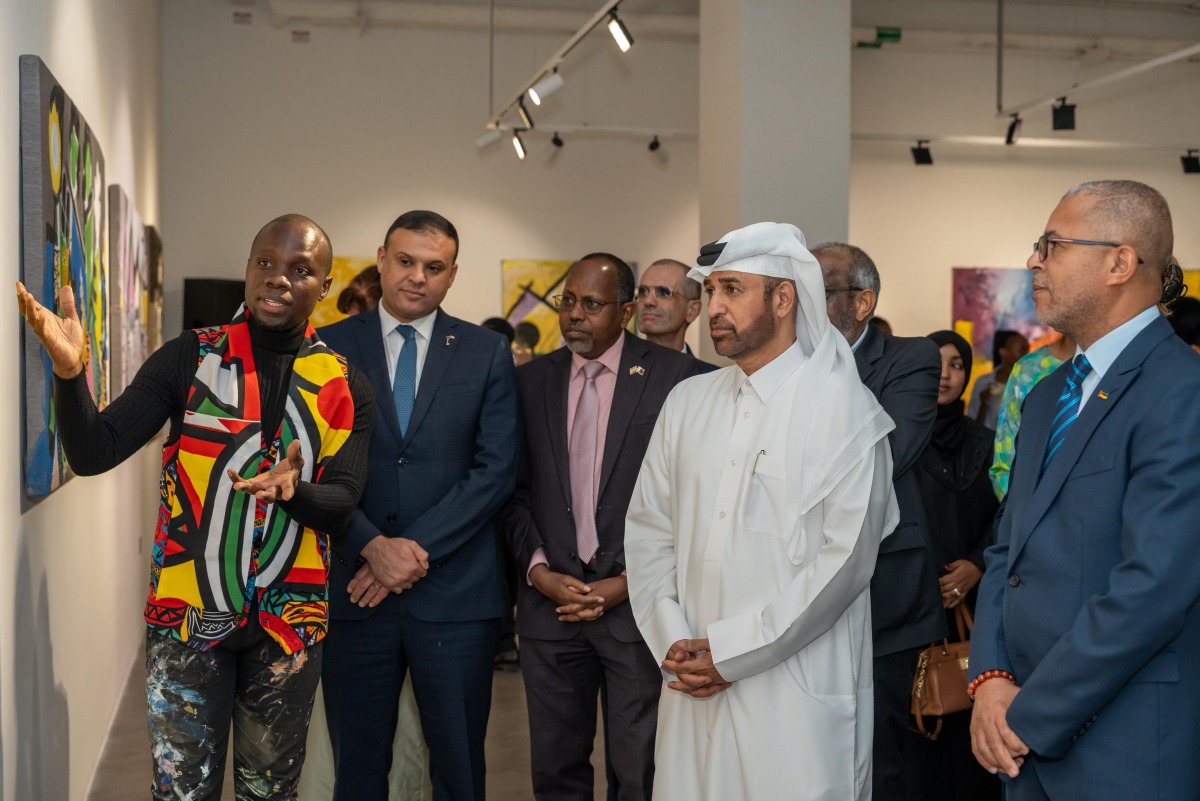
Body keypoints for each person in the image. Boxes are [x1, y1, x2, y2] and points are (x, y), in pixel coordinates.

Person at [16, 214, 373, 800]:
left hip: (289, 625)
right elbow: (94, 451)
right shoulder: (191, 357)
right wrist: (70, 371)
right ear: (248, 267)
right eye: (266, 263)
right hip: (187, 618)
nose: (278, 278)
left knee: (271, 792)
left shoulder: (345, 385)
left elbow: (343, 503)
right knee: (181, 791)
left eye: (300, 270)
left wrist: (296, 491)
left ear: (325, 286)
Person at [625, 222, 898, 800]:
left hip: (794, 690)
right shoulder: (687, 401)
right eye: (710, 291)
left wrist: (733, 652)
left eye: (732, 289)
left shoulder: (844, 409)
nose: (714, 308)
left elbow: (846, 562)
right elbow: (649, 530)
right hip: (691, 681)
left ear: (783, 297)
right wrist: (674, 642)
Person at [970, 180, 1200, 799]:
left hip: (1123, 747)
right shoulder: (1049, 394)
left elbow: (1153, 586)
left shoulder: (1182, 390)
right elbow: (1007, 550)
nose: (1034, 260)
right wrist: (990, 679)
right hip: (1018, 742)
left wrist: (1029, 712)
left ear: (1120, 263)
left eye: (1053, 244)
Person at [319, 210, 519, 801]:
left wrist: (407, 552)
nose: (417, 277)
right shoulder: (328, 346)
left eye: (434, 267)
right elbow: (312, 468)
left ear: (452, 274)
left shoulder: (486, 351)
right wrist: (371, 546)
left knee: (460, 771)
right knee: (357, 772)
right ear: (381, 259)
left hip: (456, 599)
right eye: (405, 261)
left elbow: (495, 471)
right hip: (354, 593)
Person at [500, 253, 701, 801]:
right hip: (549, 611)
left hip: (638, 612)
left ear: (626, 311)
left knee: (639, 773)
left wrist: (632, 581)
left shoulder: (679, 378)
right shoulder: (528, 382)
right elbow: (513, 491)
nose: (575, 315)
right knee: (555, 773)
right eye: (567, 301)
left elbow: (694, 500)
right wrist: (539, 571)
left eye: (592, 304)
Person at [813, 241, 944, 801]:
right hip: (801, 589)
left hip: (886, 594)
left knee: (881, 759)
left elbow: (886, 454)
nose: (798, 304)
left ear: (861, 302)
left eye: (818, 290)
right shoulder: (782, 364)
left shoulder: (909, 359)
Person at [904, 330, 1000, 801]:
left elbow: (1008, 513)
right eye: (935, 363)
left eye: (956, 364)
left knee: (973, 727)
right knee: (919, 734)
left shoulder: (987, 442)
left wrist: (977, 566)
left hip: (978, 603)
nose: (944, 374)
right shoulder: (898, 438)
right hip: (912, 603)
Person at [988, 331, 1076, 499]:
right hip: (1029, 507)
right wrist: (1023, 511)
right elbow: (1005, 465)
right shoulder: (1029, 370)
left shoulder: (1120, 363)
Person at [635, 257, 718, 371]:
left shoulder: (711, 377)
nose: (648, 301)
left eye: (663, 292)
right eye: (642, 292)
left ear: (692, 310)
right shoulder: (617, 369)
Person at [967, 330, 1029, 430]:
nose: (1027, 356)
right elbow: (972, 427)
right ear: (1003, 352)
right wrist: (983, 405)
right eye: (1021, 351)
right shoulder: (983, 383)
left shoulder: (1030, 383)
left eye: (1028, 351)